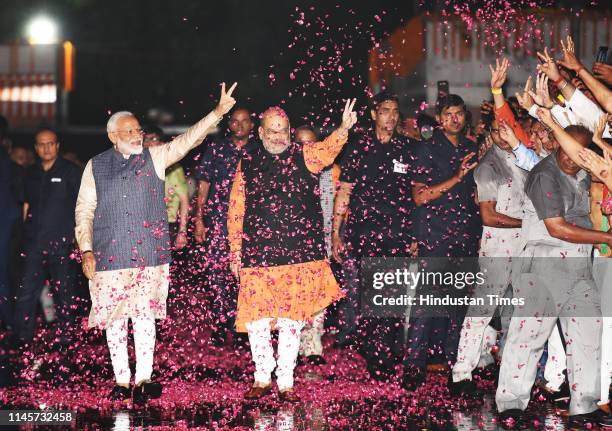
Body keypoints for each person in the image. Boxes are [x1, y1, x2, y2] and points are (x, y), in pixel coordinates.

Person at [75, 82, 237, 404]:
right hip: (108, 256)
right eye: (129, 131)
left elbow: (189, 140)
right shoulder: (95, 165)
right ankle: (122, 381)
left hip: (150, 254)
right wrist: (86, 250)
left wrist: (217, 113)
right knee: (116, 320)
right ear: (113, 136)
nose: (137, 135)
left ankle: (145, 378)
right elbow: (84, 209)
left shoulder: (155, 157)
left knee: (145, 318)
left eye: (138, 129)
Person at [228, 100, 357, 402]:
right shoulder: (246, 161)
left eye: (282, 131)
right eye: (271, 131)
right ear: (260, 133)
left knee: (291, 322)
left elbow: (328, 150)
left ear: (290, 132)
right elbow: (236, 210)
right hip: (257, 256)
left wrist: (343, 128)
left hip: (300, 256)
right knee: (257, 323)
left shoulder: (306, 156)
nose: (277, 137)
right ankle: (262, 378)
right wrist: (235, 253)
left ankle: (285, 381)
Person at [496, 112, 606, 426]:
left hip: (578, 265)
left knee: (587, 335)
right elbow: (558, 228)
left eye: (581, 152)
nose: (574, 158)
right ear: (560, 147)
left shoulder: (584, 172)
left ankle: (584, 403)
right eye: (570, 151)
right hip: (544, 265)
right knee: (528, 336)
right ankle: (511, 402)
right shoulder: (545, 173)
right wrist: (607, 237)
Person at [332, 91, 416, 381]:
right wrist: (336, 233)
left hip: (398, 234)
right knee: (369, 297)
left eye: (395, 111)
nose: (390, 116)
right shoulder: (358, 147)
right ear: (373, 114)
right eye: (385, 110)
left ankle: (389, 352)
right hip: (365, 232)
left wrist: (415, 235)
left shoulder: (408, 148)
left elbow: (415, 196)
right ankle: (374, 353)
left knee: (392, 296)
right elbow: (345, 190)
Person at [404, 94, 482, 390]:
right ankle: (413, 366)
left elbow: (476, 194)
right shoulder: (426, 148)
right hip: (436, 235)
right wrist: (457, 176)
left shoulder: (472, 148)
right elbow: (420, 197)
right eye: (448, 114)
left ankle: (455, 364)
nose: (454, 119)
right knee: (427, 303)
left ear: (465, 117)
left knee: (459, 305)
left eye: (459, 114)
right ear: (439, 119)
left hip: (466, 235)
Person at [449, 116, 526, 399]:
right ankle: (461, 373)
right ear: (491, 134)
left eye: (509, 128)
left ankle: (509, 371)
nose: (504, 134)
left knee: (514, 315)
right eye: (498, 130)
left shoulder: (523, 159)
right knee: (480, 314)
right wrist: (525, 223)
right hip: (496, 249)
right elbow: (489, 216)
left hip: (523, 250)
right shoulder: (488, 167)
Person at [193, 107, 257, 347]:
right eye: (235, 121)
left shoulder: (259, 149)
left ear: (252, 125)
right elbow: (204, 184)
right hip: (219, 221)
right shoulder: (217, 149)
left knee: (247, 274)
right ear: (229, 124)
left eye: (245, 121)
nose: (239, 126)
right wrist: (199, 219)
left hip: (252, 224)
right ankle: (222, 322)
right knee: (218, 273)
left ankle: (243, 325)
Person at [13, 128, 81, 348]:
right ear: (35, 148)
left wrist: (80, 239)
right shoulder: (29, 173)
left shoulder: (71, 171)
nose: (46, 148)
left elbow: (82, 207)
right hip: (34, 243)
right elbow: (25, 205)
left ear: (58, 145)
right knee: (26, 293)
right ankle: (22, 338)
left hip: (62, 243)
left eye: (50, 143)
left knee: (64, 294)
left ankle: (66, 338)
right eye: (41, 144)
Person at [294, 125, 330, 366]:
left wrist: (328, 242)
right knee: (294, 296)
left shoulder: (325, 172)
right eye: (300, 143)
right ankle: (293, 346)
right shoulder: (282, 170)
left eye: (311, 143)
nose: (306, 149)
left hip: (319, 244)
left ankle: (314, 346)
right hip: (289, 246)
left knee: (318, 297)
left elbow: (328, 210)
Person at [143, 125, 189, 250]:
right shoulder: (138, 167)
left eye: (153, 139)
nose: (149, 143)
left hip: (167, 225)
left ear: (162, 143)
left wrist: (182, 231)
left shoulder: (174, 168)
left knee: (165, 267)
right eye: (145, 140)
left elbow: (184, 200)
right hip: (143, 226)